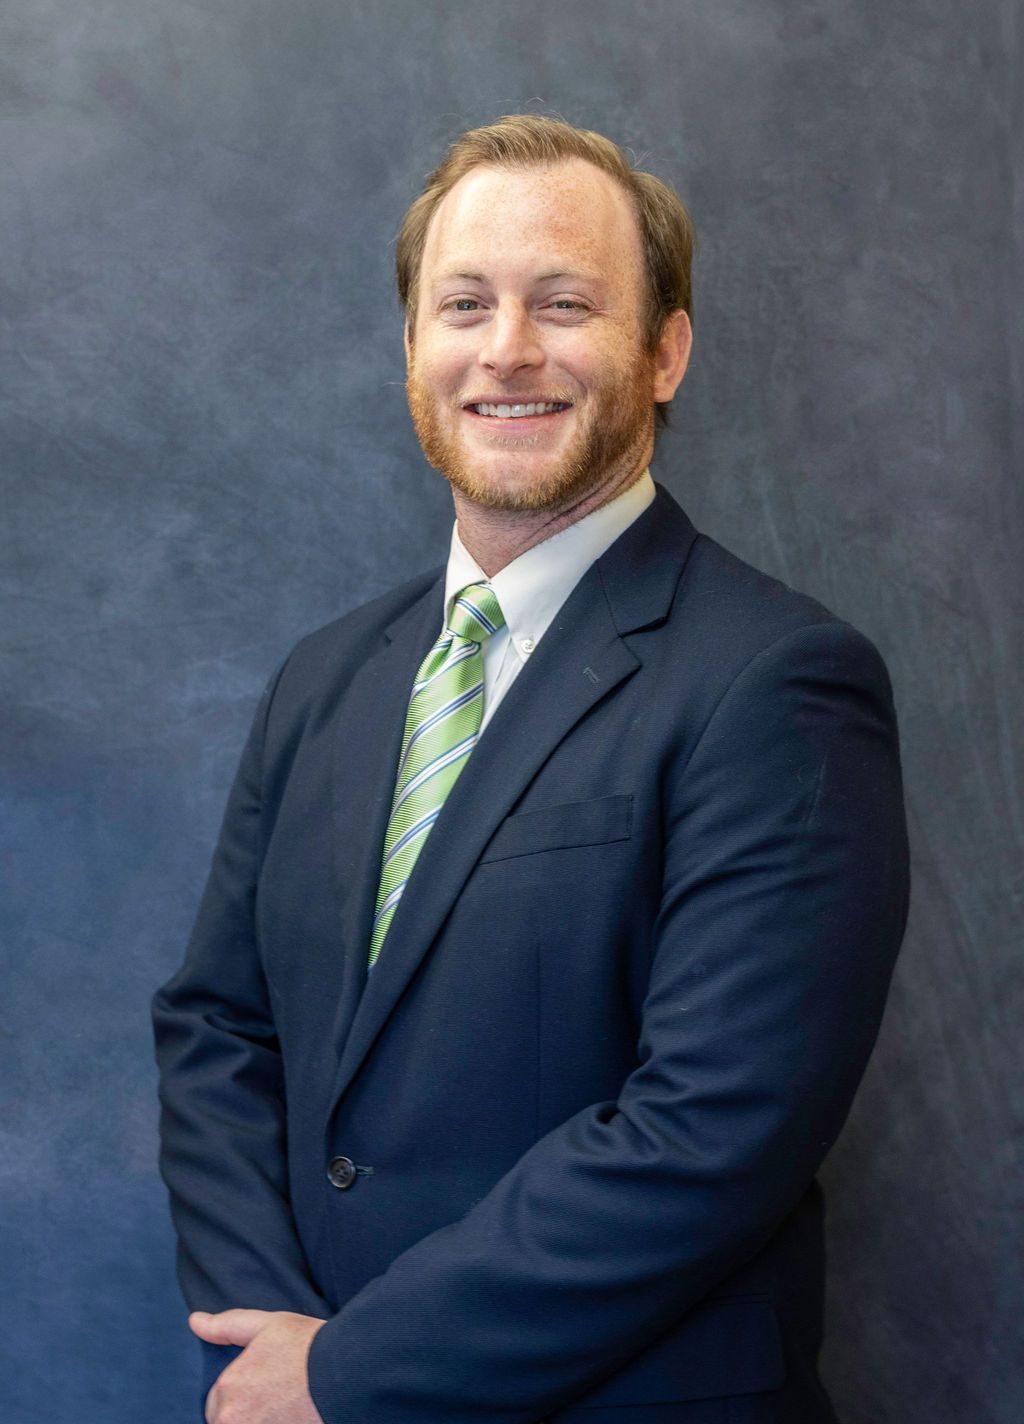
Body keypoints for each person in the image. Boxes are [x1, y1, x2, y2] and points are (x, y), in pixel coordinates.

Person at [152, 114, 910, 1424]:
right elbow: (217, 1030)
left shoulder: (780, 684)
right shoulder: (324, 681)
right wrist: (269, 1336)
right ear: (412, 348)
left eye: (564, 303)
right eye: (464, 305)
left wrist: (349, 1375)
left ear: (664, 350)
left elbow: (714, 1133)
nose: (506, 349)